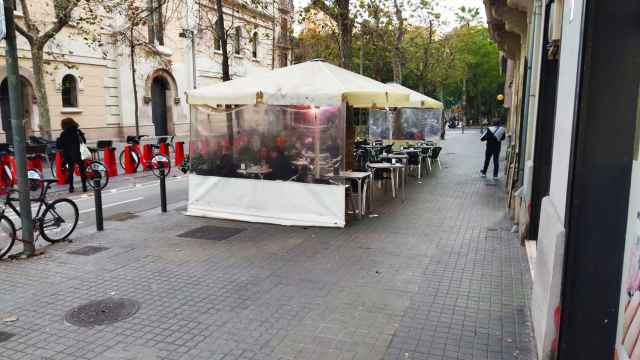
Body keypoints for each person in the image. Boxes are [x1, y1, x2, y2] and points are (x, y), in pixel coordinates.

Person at [56, 117, 87, 192]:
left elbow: (59, 146)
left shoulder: (64, 133)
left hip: (68, 155)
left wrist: (58, 140)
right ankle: (84, 186)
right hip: (78, 154)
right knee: (82, 170)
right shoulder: (77, 131)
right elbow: (84, 141)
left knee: (70, 170)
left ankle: (71, 187)